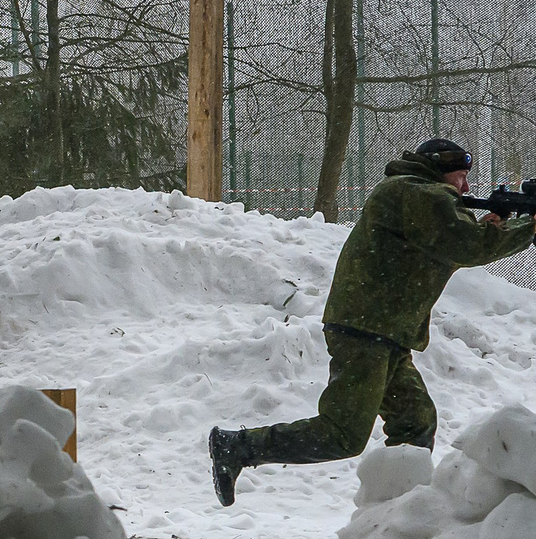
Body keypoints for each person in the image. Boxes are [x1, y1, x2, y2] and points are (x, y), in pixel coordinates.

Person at [210, 137, 532, 506]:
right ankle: (237, 446)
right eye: (461, 177)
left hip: (382, 331)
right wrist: (525, 228)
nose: (467, 187)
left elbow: (449, 248)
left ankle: (400, 513)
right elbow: (467, 246)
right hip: (368, 330)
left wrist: (497, 227)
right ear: (440, 173)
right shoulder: (419, 193)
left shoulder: (414, 194)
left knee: (415, 423)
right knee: (343, 433)